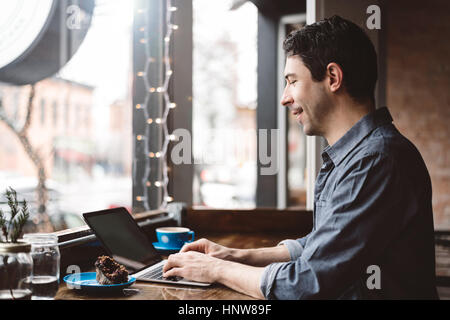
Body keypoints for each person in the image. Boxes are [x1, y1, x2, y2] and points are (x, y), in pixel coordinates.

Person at [163, 15, 438, 299]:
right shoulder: (356, 155)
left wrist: (214, 270)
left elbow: (306, 284)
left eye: (292, 81)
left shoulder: (376, 160)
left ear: (333, 78)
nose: (284, 97)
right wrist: (234, 255)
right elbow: (324, 245)